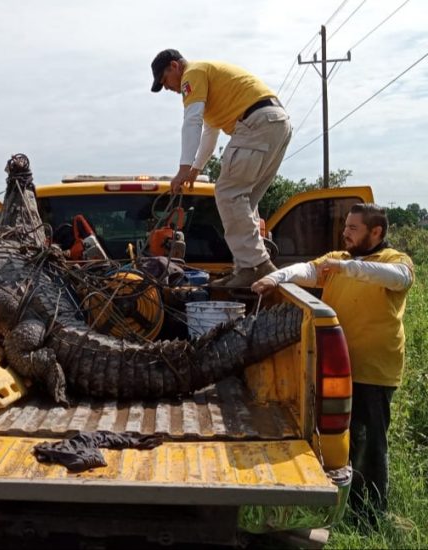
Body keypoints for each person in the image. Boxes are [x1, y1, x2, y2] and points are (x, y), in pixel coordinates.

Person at [251, 203, 413, 521]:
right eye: (346, 227)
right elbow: (307, 271)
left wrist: (348, 268)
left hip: (372, 371)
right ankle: (333, 503)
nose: (345, 233)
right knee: (334, 440)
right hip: (331, 368)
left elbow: (398, 279)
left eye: (353, 228)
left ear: (376, 232)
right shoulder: (337, 259)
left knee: (368, 444)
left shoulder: (396, 261)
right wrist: (275, 278)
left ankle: (369, 515)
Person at [150, 49, 293, 287]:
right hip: (276, 123)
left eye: (164, 81)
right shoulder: (208, 79)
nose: (167, 88)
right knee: (243, 201)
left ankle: (256, 266)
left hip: (255, 123)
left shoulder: (192, 74)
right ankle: (247, 268)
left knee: (228, 193)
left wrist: (183, 168)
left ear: (174, 66)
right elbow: (210, 131)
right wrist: (197, 167)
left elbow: (192, 120)